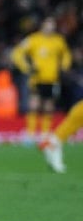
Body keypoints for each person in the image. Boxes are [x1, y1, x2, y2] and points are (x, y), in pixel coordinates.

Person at [10, 16, 71, 144]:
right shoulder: (34, 39)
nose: (51, 27)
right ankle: (30, 134)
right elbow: (17, 53)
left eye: (52, 24)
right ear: (43, 25)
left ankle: (45, 134)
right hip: (36, 78)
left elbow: (66, 54)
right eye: (48, 24)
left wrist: (64, 67)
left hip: (53, 79)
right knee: (34, 104)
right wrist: (26, 67)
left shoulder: (58, 41)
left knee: (48, 106)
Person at [38, 97, 77, 173]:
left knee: (55, 147)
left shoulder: (56, 117)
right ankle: (56, 165)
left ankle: (56, 165)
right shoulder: (40, 118)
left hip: (50, 139)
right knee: (53, 148)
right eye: (47, 105)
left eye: (50, 105)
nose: (49, 107)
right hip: (46, 140)